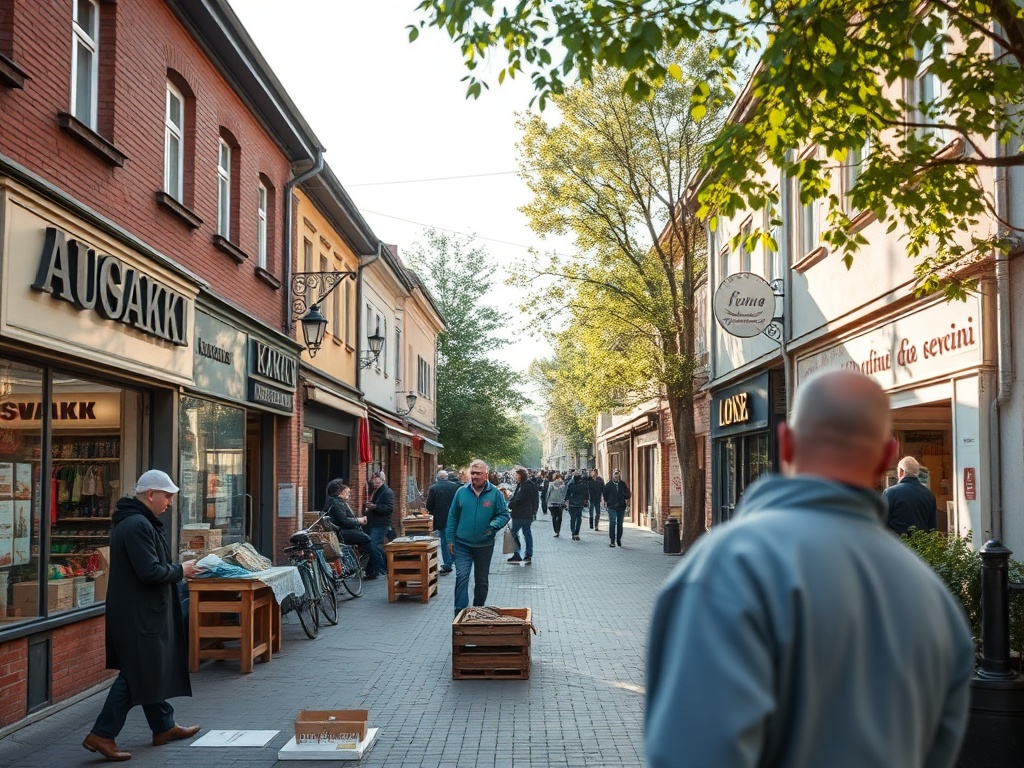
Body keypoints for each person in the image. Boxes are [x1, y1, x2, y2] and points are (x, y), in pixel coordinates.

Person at [645, 371, 975, 768]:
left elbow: (690, 753)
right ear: (888, 456)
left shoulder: (725, 569)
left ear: (786, 442)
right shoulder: (936, 601)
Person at [82, 470, 201, 761]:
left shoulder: (137, 522)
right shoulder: (137, 525)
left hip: (140, 611)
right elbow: (150, 572)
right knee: (136, 673)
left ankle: (163, 726)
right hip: (140, 615)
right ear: (151, 495)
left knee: (149, 667)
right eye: (167, 496)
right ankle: (102, 733)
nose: (170, 502)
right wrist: (181, 571)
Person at [445, 459, 510, 616]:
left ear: (485, 475)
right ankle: (459, 613)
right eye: (472, 473)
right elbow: (452, 516)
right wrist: (449, 539)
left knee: (481, 581)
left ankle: (477, 610)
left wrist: (493, 525)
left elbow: (504, 514)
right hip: (462, 544)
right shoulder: (461, 492)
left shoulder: (495, 493)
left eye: (478, 473)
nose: (475, 476)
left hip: (484, 545)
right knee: (462, 576)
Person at [323, 480, 373, 572]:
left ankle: (365, 566)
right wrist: (359, 520)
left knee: (367, 540)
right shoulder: (337, 503)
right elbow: (343, 521)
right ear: (340, 493)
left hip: (343, 530)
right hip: (342, 531)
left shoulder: (338, 502)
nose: (349, 494)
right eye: (348, 492)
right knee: (367, 540)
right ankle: (371, 568)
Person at [884, 456, 939, 535]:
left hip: (896, 544)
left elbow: (881, 523)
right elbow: (932, 528)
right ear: (917, 473)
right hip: (921, 545)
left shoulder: (890, 493)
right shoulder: (929, 495)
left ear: (901, 471)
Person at [363, 472, 394, 581]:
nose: (375, 484)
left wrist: (374, 506)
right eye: (374, 482)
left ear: (382, 481)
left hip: (381, 524)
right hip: (375, 523)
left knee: (374, 546)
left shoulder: (386, 492)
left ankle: (381, 568)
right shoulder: (377, 491)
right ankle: (374, 570)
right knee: (374, 546)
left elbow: (389, 508)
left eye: (378, 482)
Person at [426, 470, 459, 574]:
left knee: (445, 541)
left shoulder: (433, 488)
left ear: (437, 478)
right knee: (454, 539)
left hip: (441, 519)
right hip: (455, 517)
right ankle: (454, 559)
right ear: (447, 477)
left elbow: (429, 506)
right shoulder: (455, 487)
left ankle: (448, 563)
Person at [507, 467, 539, 563]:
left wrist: (510, 503)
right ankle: (526, 554)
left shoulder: (525, 486)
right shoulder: (524, 485)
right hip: (525, 514)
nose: (516, 477)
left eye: (517, 475)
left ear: (521, 475)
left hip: (521, 514)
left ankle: (519, 554)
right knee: (526, 533)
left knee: (514, 533)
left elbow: (519, 499)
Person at [602, 469, 631, 547]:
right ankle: (612, 540)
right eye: (615, 475)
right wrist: (608, 501)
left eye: (617, 475)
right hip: (612, 506)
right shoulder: (608, 485)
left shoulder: (622, 484)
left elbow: (628, 494)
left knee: (620, 524)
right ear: (612, 476)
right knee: (612, 523)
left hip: (621, 506)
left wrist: (626, 495)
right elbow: (605, 494)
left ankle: (618, 538)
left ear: (619, 476)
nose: (616, 477)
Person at [564, 469, 589, 541]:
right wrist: (586, 500)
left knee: (573, 519)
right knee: (578, 518)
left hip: (573, 504)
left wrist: (566, 500)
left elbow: (568, 493)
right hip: (579, 504)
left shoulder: (571, 484)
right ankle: (576, 533)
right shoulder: (583, 485)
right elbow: (586, 494)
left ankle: (573, 532)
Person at [546, 472, 567, 537]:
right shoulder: (563, 485)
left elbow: (548, 493)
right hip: (560, 503)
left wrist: (546, 502)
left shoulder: (551, 484)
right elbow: (565, 493)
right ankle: (558, 531)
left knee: (554, 516)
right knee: (559, 517)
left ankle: (556, 530)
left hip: (552, 503)